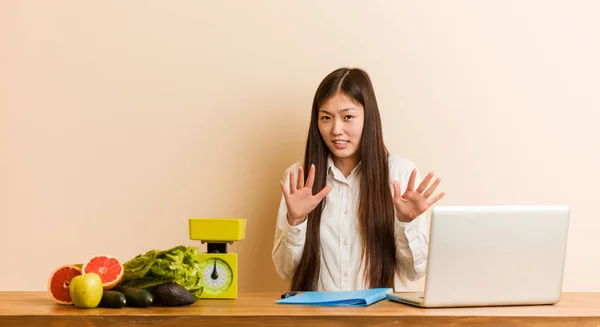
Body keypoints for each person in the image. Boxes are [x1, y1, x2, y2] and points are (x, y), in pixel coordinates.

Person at [271, 67, 445, 292]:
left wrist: (406, 222)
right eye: (326, 118)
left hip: (381, 320)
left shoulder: (399, 173)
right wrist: (296, 220)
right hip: (317, 319)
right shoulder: (299, 178)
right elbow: (285, 271)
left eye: (348, 117)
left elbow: (415, 271)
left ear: (368, 117)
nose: (336, 130)